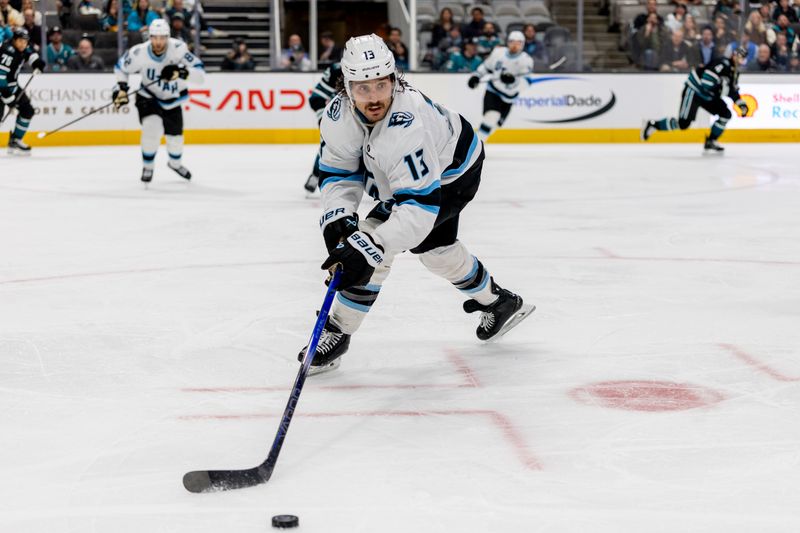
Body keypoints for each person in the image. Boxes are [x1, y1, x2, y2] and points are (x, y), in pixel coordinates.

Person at [299, 33, 532, 375]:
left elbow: (418, 209)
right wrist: (338, 218)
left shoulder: (407, 126)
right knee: (436, 250)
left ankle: (339, 331)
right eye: (363, 88)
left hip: (455, 172)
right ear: (346, 87)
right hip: (420, 172)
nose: (374, 97)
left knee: (373, 245)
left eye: (381, 85)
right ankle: (500, 303)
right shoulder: (337, 116)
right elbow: (337, 171)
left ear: (394, 79)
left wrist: (368, 243)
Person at [112, 18, 205, 183]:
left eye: (162, 38)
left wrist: (182, 72)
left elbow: (200, 74)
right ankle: (148, 166)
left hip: (172, 99)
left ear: (168, 37)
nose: (158, 42)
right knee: (151, 130)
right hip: (148, 96)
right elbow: (121, 68)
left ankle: (175, 163)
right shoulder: (138, 53)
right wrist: (121, 88)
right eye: (155, 37)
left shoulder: (179, 49)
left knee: (175, 138)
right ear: (150, 37)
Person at [641, 46, 748, 153]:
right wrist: (722, 90)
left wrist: (740, 104)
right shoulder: (722, 64)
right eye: (738, 56)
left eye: (742, 58)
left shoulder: (735, 73)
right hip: (694, 91)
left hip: (708, 96)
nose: (739, 59)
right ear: (733, 55)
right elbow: (707, 82)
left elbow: (732, 90)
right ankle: (653, 124)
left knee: (725, 114)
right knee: (683, 124)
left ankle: (711, 141)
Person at [468, 31, 533, 141]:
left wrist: (512, 82)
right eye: (512, 42)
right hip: (493, 91)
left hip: (509, 98)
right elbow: (486, 67)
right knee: (491, 117)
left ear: (522, 44)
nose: (515, 45)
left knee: (496, 125)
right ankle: (477, 145)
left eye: (518, 43)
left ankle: (476, 142)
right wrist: (476, 76)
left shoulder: (526, 60)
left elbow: (526, 82)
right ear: (508, 42)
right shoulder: (498, 53)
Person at [0, 28, 45, 155]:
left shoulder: (22, 47)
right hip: (2, 88)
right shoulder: (7, 52)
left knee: (27, 111)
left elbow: (30, 53)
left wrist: (37, 63)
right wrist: (8, 98)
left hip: (12, 86)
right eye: (20, 41)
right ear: (14, 40)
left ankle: (15, 140)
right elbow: (0, 77)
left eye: (25, 42)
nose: (23, 44)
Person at [303, 61, 342, 194]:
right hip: (340, 116)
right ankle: (316, 174)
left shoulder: (380, 71)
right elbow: (316, 98)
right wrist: (322, 118)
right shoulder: (337, 70)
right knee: (329, 145)